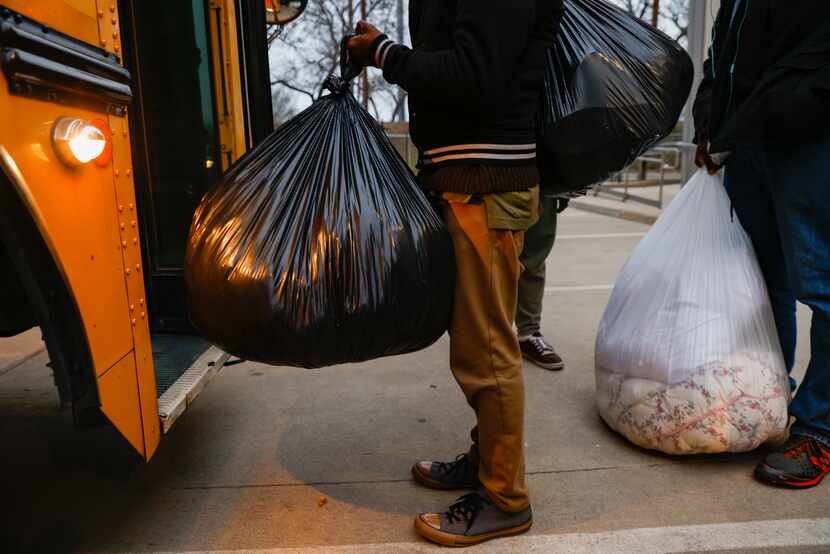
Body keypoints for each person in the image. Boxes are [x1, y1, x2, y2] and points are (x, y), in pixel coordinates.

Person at [347, 1, 564, 546]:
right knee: (474, 344)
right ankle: (485, 460)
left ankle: (505, 500)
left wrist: (383, 53)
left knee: (487, 351)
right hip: (466, 177)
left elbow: (476, 75)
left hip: (487, 182)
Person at [693, 1, 830, 488]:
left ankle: (820, 428)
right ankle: (770, 396)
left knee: (822, 284)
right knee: (758, 282)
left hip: (811, 137)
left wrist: (799, 100)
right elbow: (723, 49)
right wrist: (710, 115)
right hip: (751, 137)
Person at [517, 197, 568, 371]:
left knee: (534, 257)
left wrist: (566, 185)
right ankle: (489, 336)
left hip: (542, 181)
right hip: (491, 179)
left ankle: (528, 334)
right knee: (491, 259)